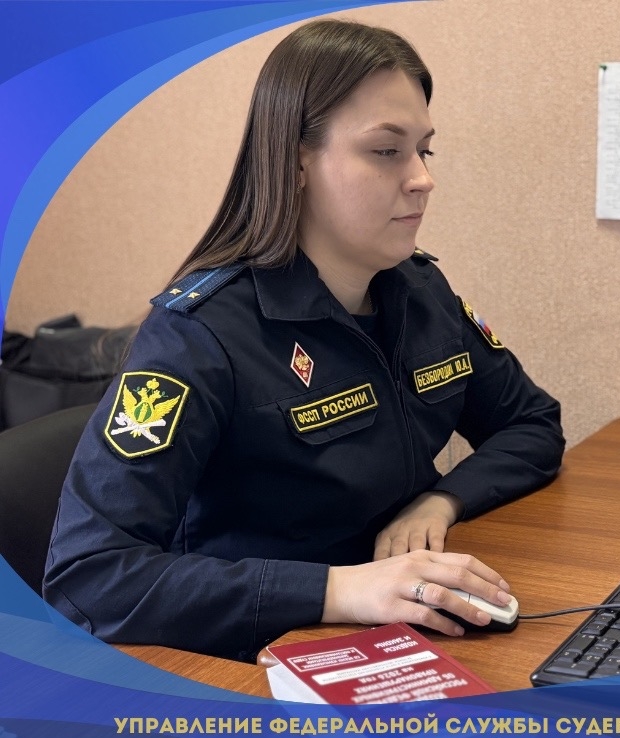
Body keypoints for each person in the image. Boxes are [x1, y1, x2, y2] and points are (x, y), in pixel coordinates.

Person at [43, 18, 564, 661]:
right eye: (386, 151)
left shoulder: (419, 291)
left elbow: (532, 423)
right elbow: (88, 578)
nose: (421, 178)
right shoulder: (197, 335)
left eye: (424, 151)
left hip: (401, 621)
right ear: (294, 163)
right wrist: (339, 590)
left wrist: (441, 500)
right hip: (260, 653)